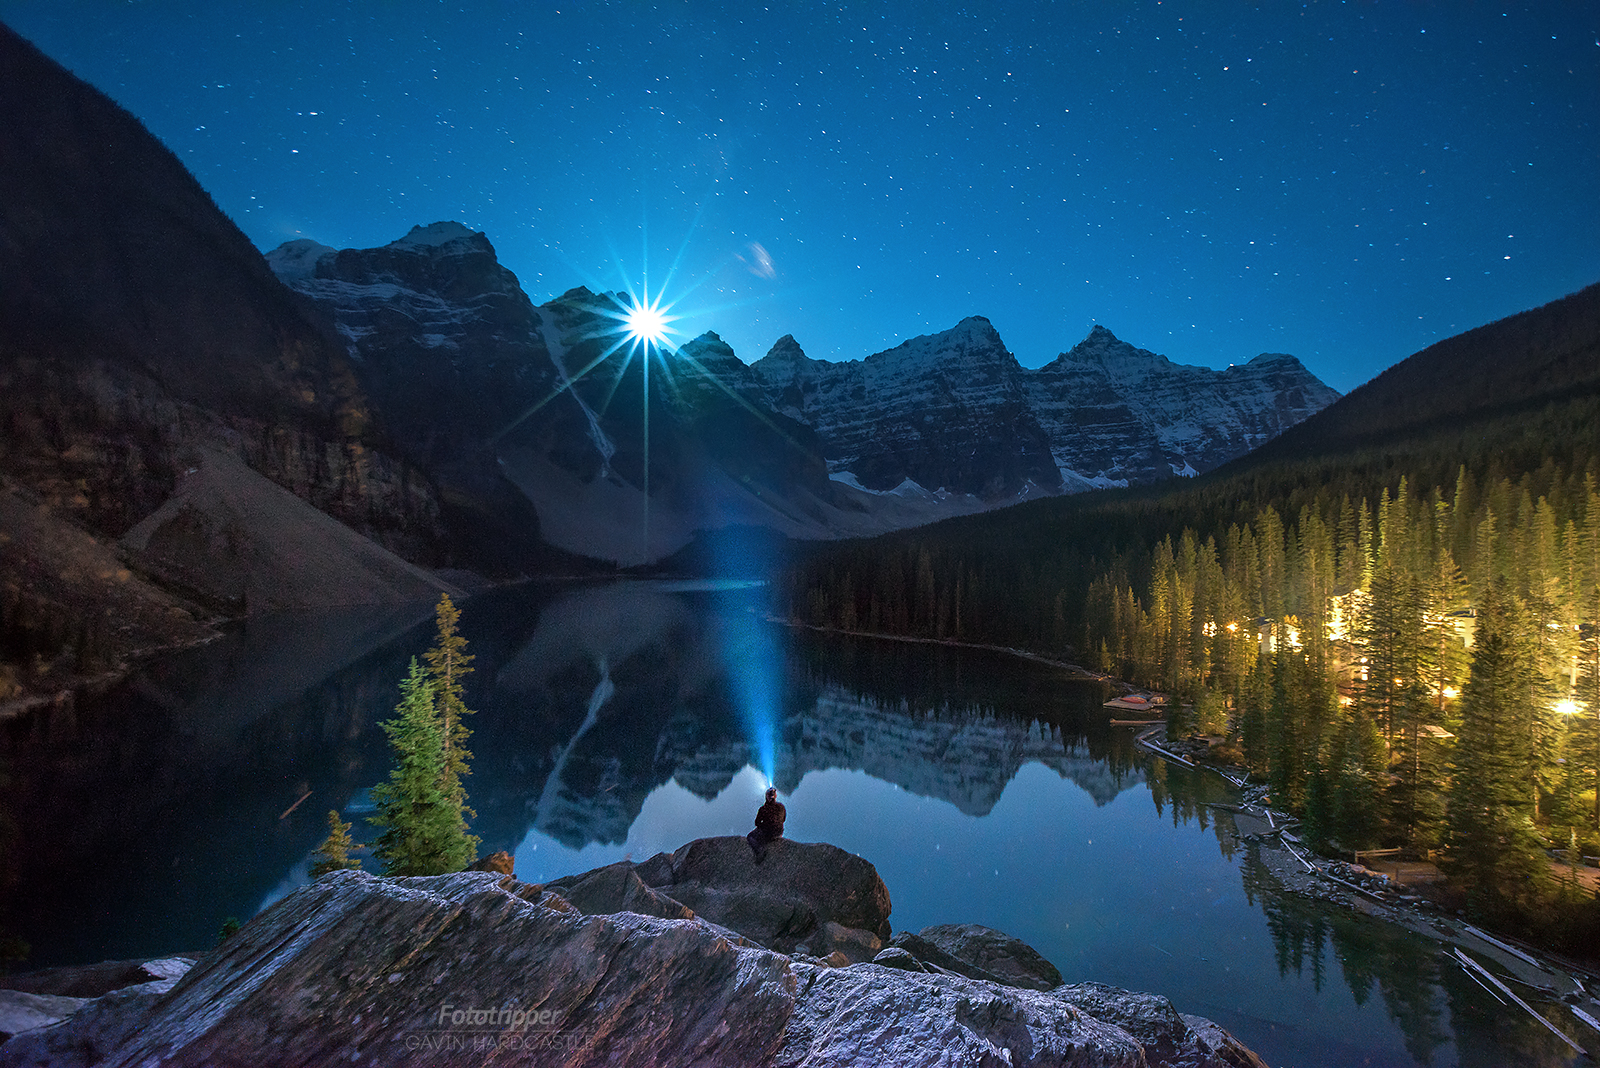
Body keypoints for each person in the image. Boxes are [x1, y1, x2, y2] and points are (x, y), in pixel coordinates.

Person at [746, 786, 785, 863]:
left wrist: (764, 825)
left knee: (750, 837)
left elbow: (757, 823)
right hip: (779, 832)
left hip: (768, 833)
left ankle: (760, 851)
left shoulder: (763, 809)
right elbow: (783, 819)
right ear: (775, 796)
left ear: (766, 797)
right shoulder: (781, 807)